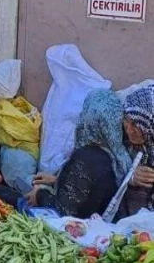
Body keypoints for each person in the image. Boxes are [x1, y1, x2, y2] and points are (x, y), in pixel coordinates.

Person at [26, 89, 132, 218]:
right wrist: (57, 180)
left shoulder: (86, 158)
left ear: (88, 119)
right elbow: (91, 188)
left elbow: (64, 210)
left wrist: (39, 195)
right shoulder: (119, 156)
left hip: (82, 230)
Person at [117, 84, 154, 218]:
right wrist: (131, 177)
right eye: (127, 120)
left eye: (136, 124)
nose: (129, 130)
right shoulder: (123, 141)